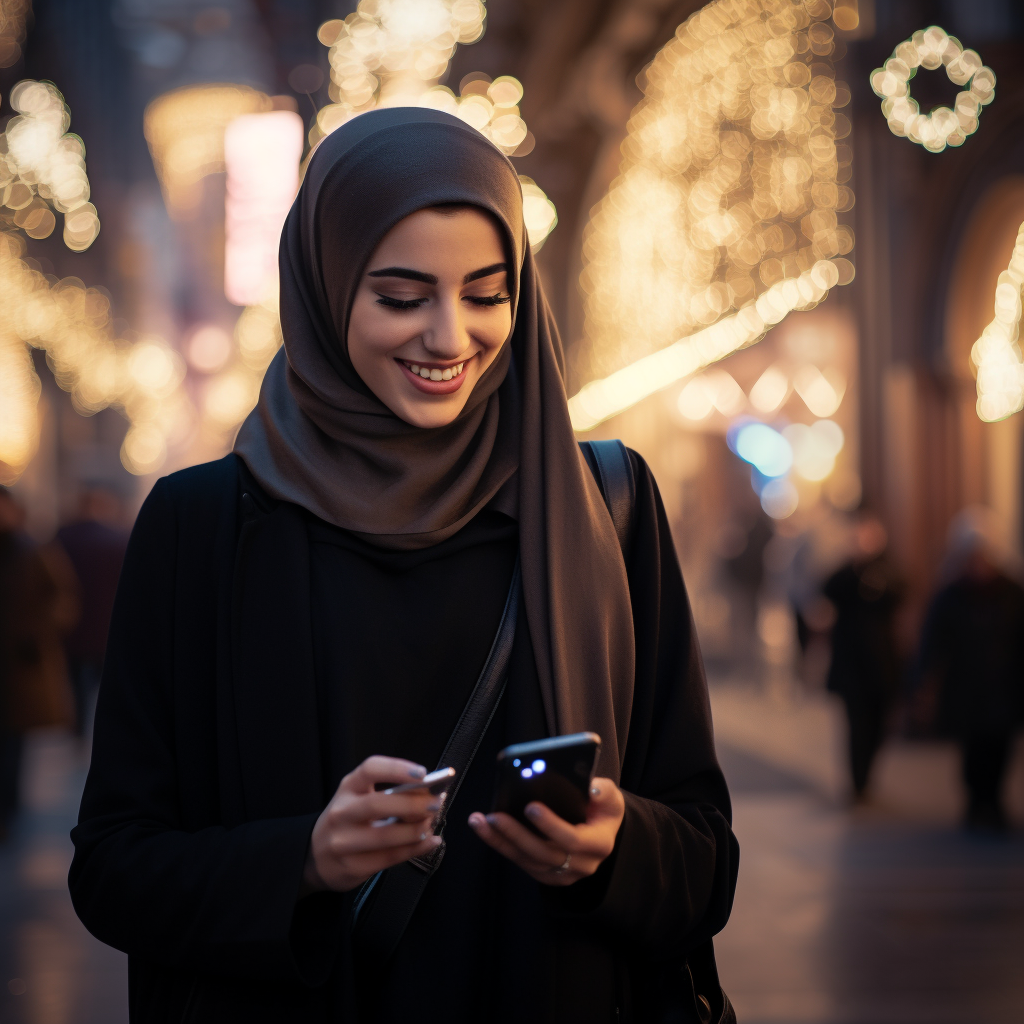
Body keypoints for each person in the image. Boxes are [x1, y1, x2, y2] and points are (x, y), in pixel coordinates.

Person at [69, 108, 738, 1023]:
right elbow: (114, 870)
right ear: (326, 284)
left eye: (486, 293)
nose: (450, 337)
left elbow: (704, 857)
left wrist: (616, 851)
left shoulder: (604, 507)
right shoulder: (202, 528)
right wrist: (305, 858)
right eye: (400, 295)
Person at [917, 508, 1024, 832]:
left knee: (1001, 748)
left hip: (1005, 686)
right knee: (973, 748)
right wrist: (922, 684)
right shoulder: (951, 595)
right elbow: (932, 643)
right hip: (967, 686)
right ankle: (976, 803)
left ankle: (994, 803)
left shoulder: (1012, 593)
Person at [0, 487, 74, 836]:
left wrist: (39, 632)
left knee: (13, 741)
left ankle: (8, 809)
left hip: (19, 663)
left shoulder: (32, 552)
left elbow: (62, 598)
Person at [823, 513, 902, 801]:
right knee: (857, 724)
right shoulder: (846, 573)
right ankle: (858, 784)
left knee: (880, 724)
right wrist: (854, 564)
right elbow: (828, 588)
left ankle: (868, 777)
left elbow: (901, 591)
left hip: (882, 663)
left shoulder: (888, 570)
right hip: (851, 665)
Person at [55, 484, 129, 739]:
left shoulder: (63, 537)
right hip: (107, 624)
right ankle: (102, 730)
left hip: (72, 623)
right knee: (105, 682)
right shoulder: (117, 539)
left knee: (75, 682)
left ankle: (78, 730)